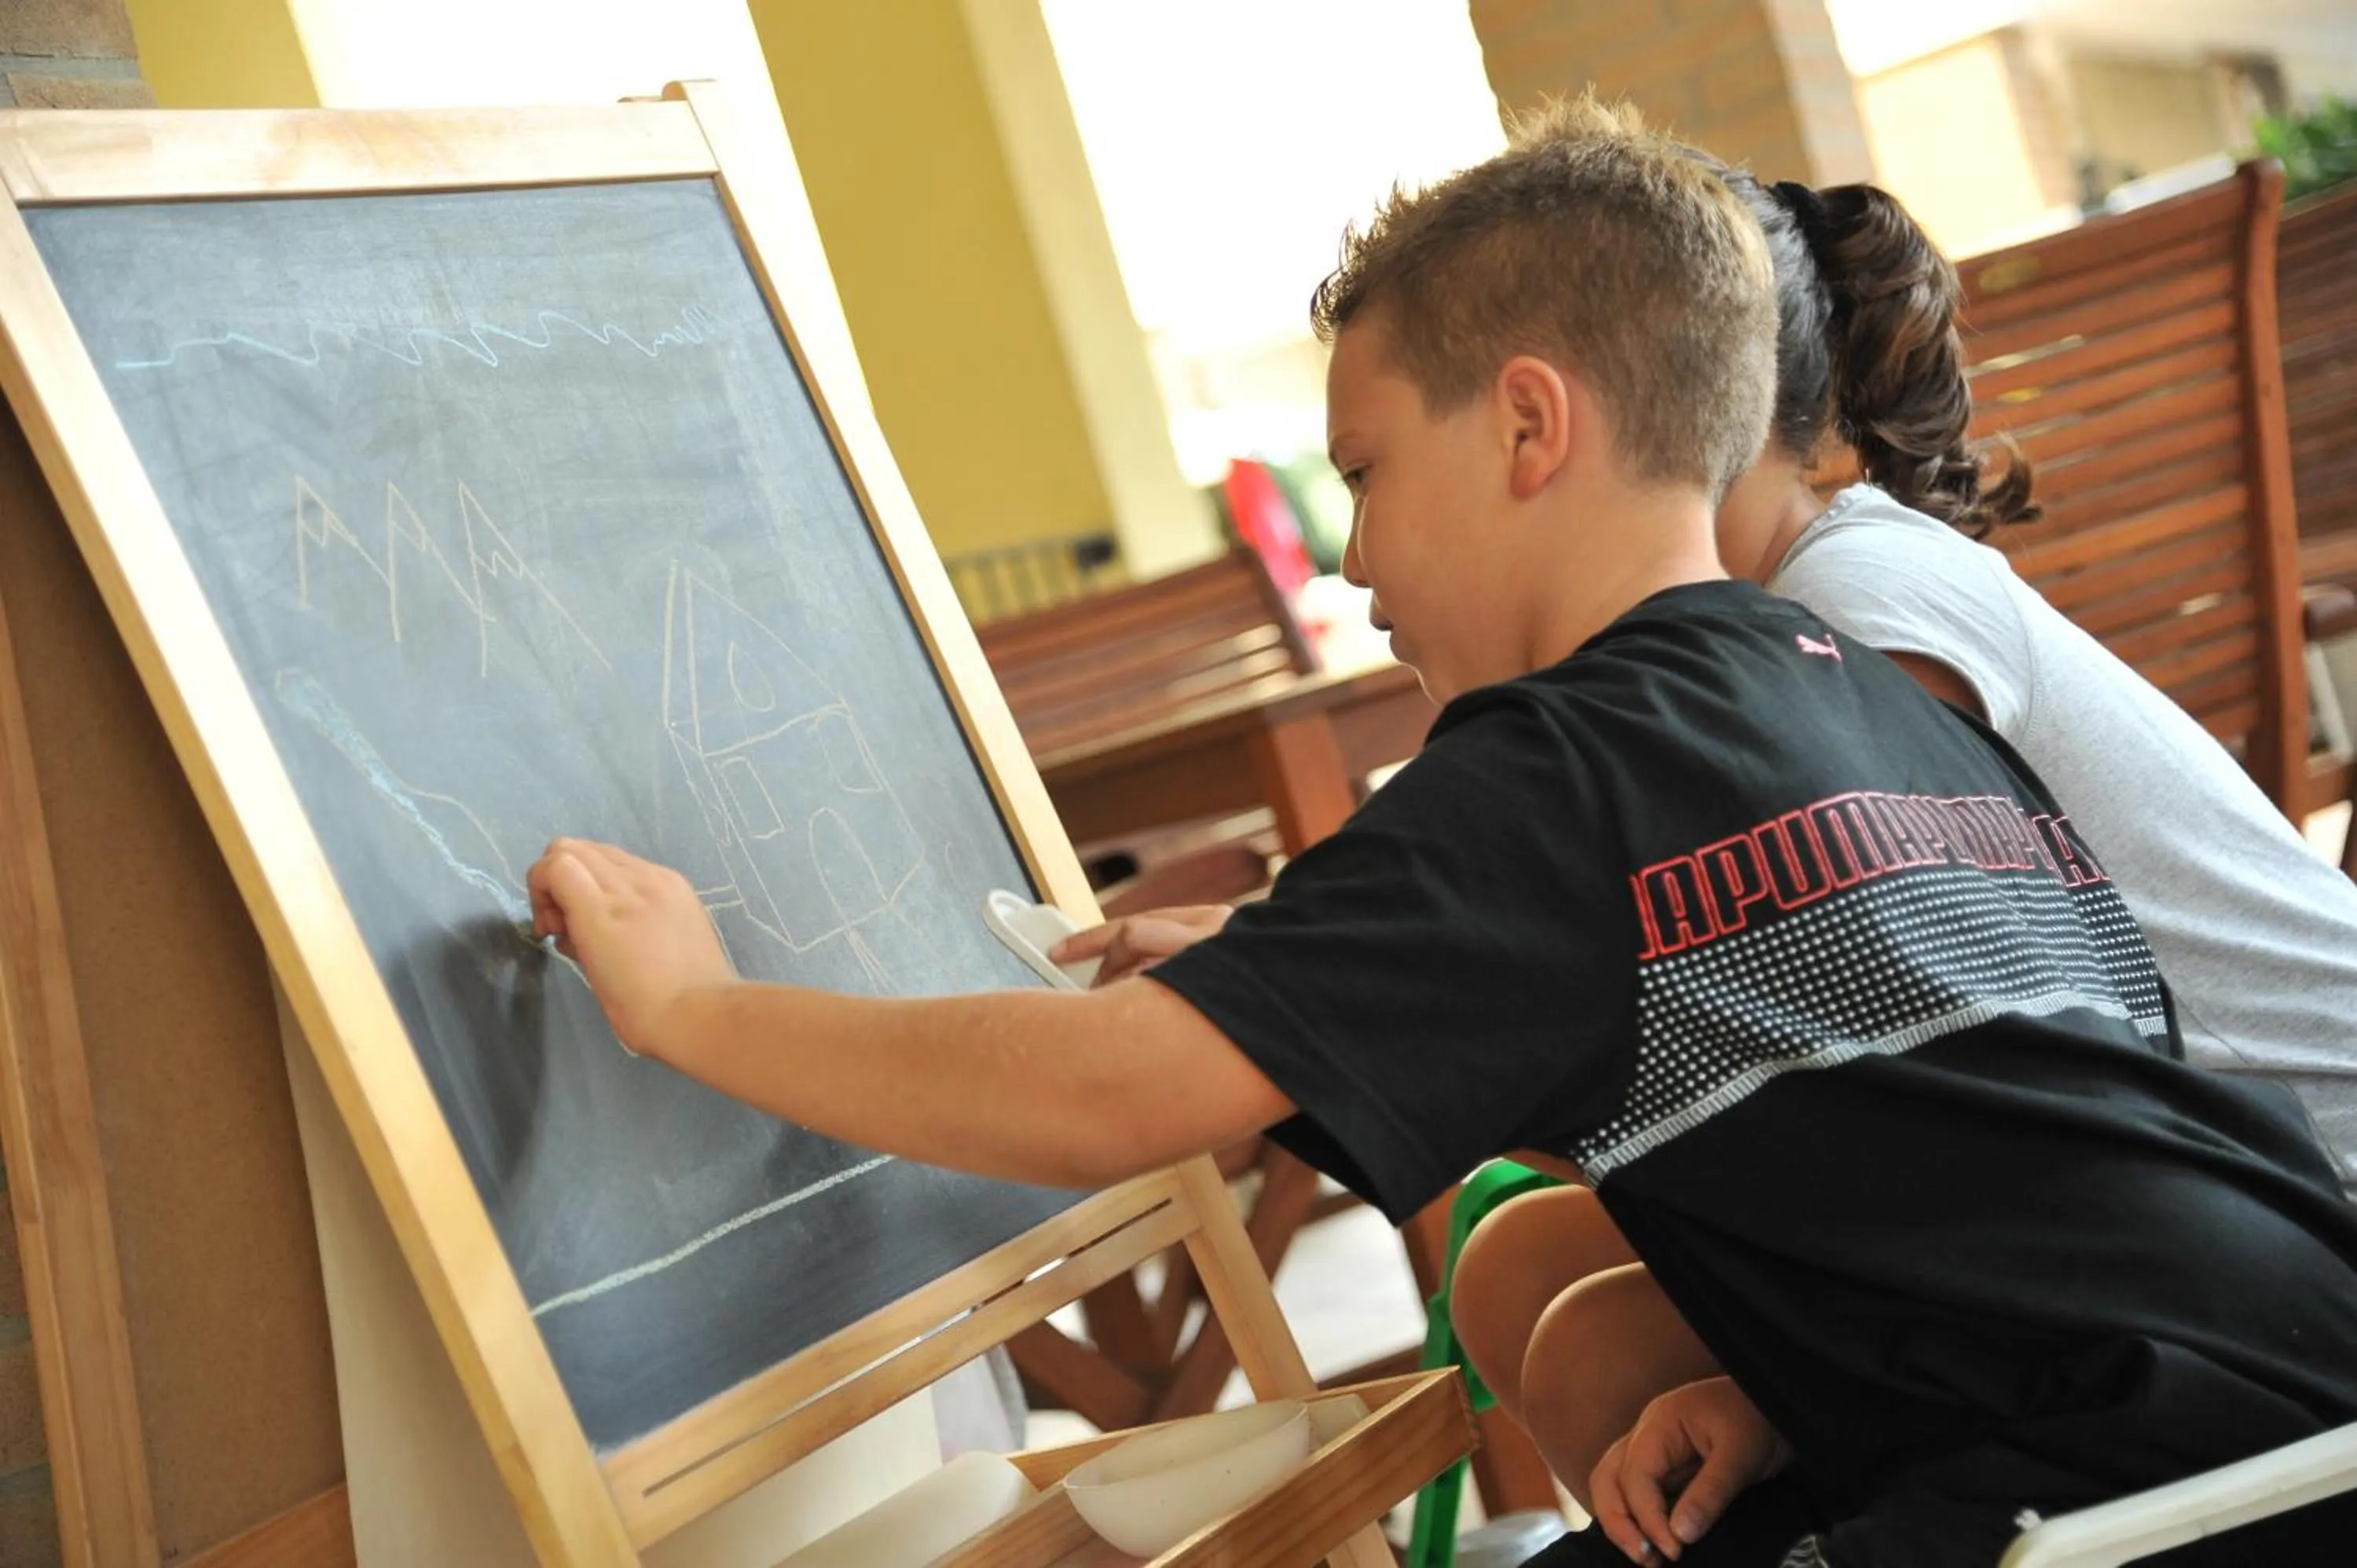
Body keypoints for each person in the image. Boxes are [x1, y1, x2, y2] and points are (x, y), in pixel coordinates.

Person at [527, 98, 2357, 1566]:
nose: (1349, 555)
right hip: (2275, 1391)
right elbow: (2006, 1130)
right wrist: (1793, 1384)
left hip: (2132, 1492)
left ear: (1531, 426)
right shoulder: (1840, 676)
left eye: (1367, 469)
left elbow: (1104, 1094)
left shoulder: (1564, 768)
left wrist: (694, 1007)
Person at [1445, 155, 2357, 1547]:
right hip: (2136, 1176)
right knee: (1522, 1261)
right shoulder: (1791, 598)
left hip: (2284, 1193)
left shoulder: (1852, 600)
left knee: (1594, 1326)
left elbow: (1880, 1026)